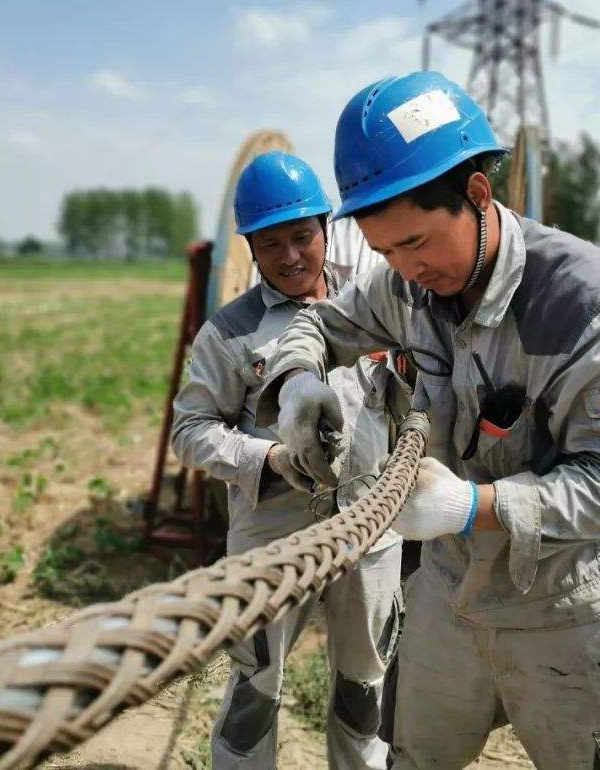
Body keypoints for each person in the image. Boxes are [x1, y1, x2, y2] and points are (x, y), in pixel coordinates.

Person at [255, 72, 600, 767]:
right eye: (385, 250)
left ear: (477, 195)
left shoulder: (591, 306)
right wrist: (300, 381)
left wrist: (473, 506)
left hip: (563, 606)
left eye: (416, 243)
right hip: (448, 600)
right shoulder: (407, 286)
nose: (404, 268)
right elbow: (322, 325)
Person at [171, 151, 403, 769]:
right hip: (272, 537)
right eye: (271, 243)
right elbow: (190, 429)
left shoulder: (374, 302)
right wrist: (268, 457)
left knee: (365, 692)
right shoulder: (230, 332)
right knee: (255, 692)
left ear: (327, 228)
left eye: (302, 236)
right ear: (249, 248)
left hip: (370, 529)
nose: (292, 256)